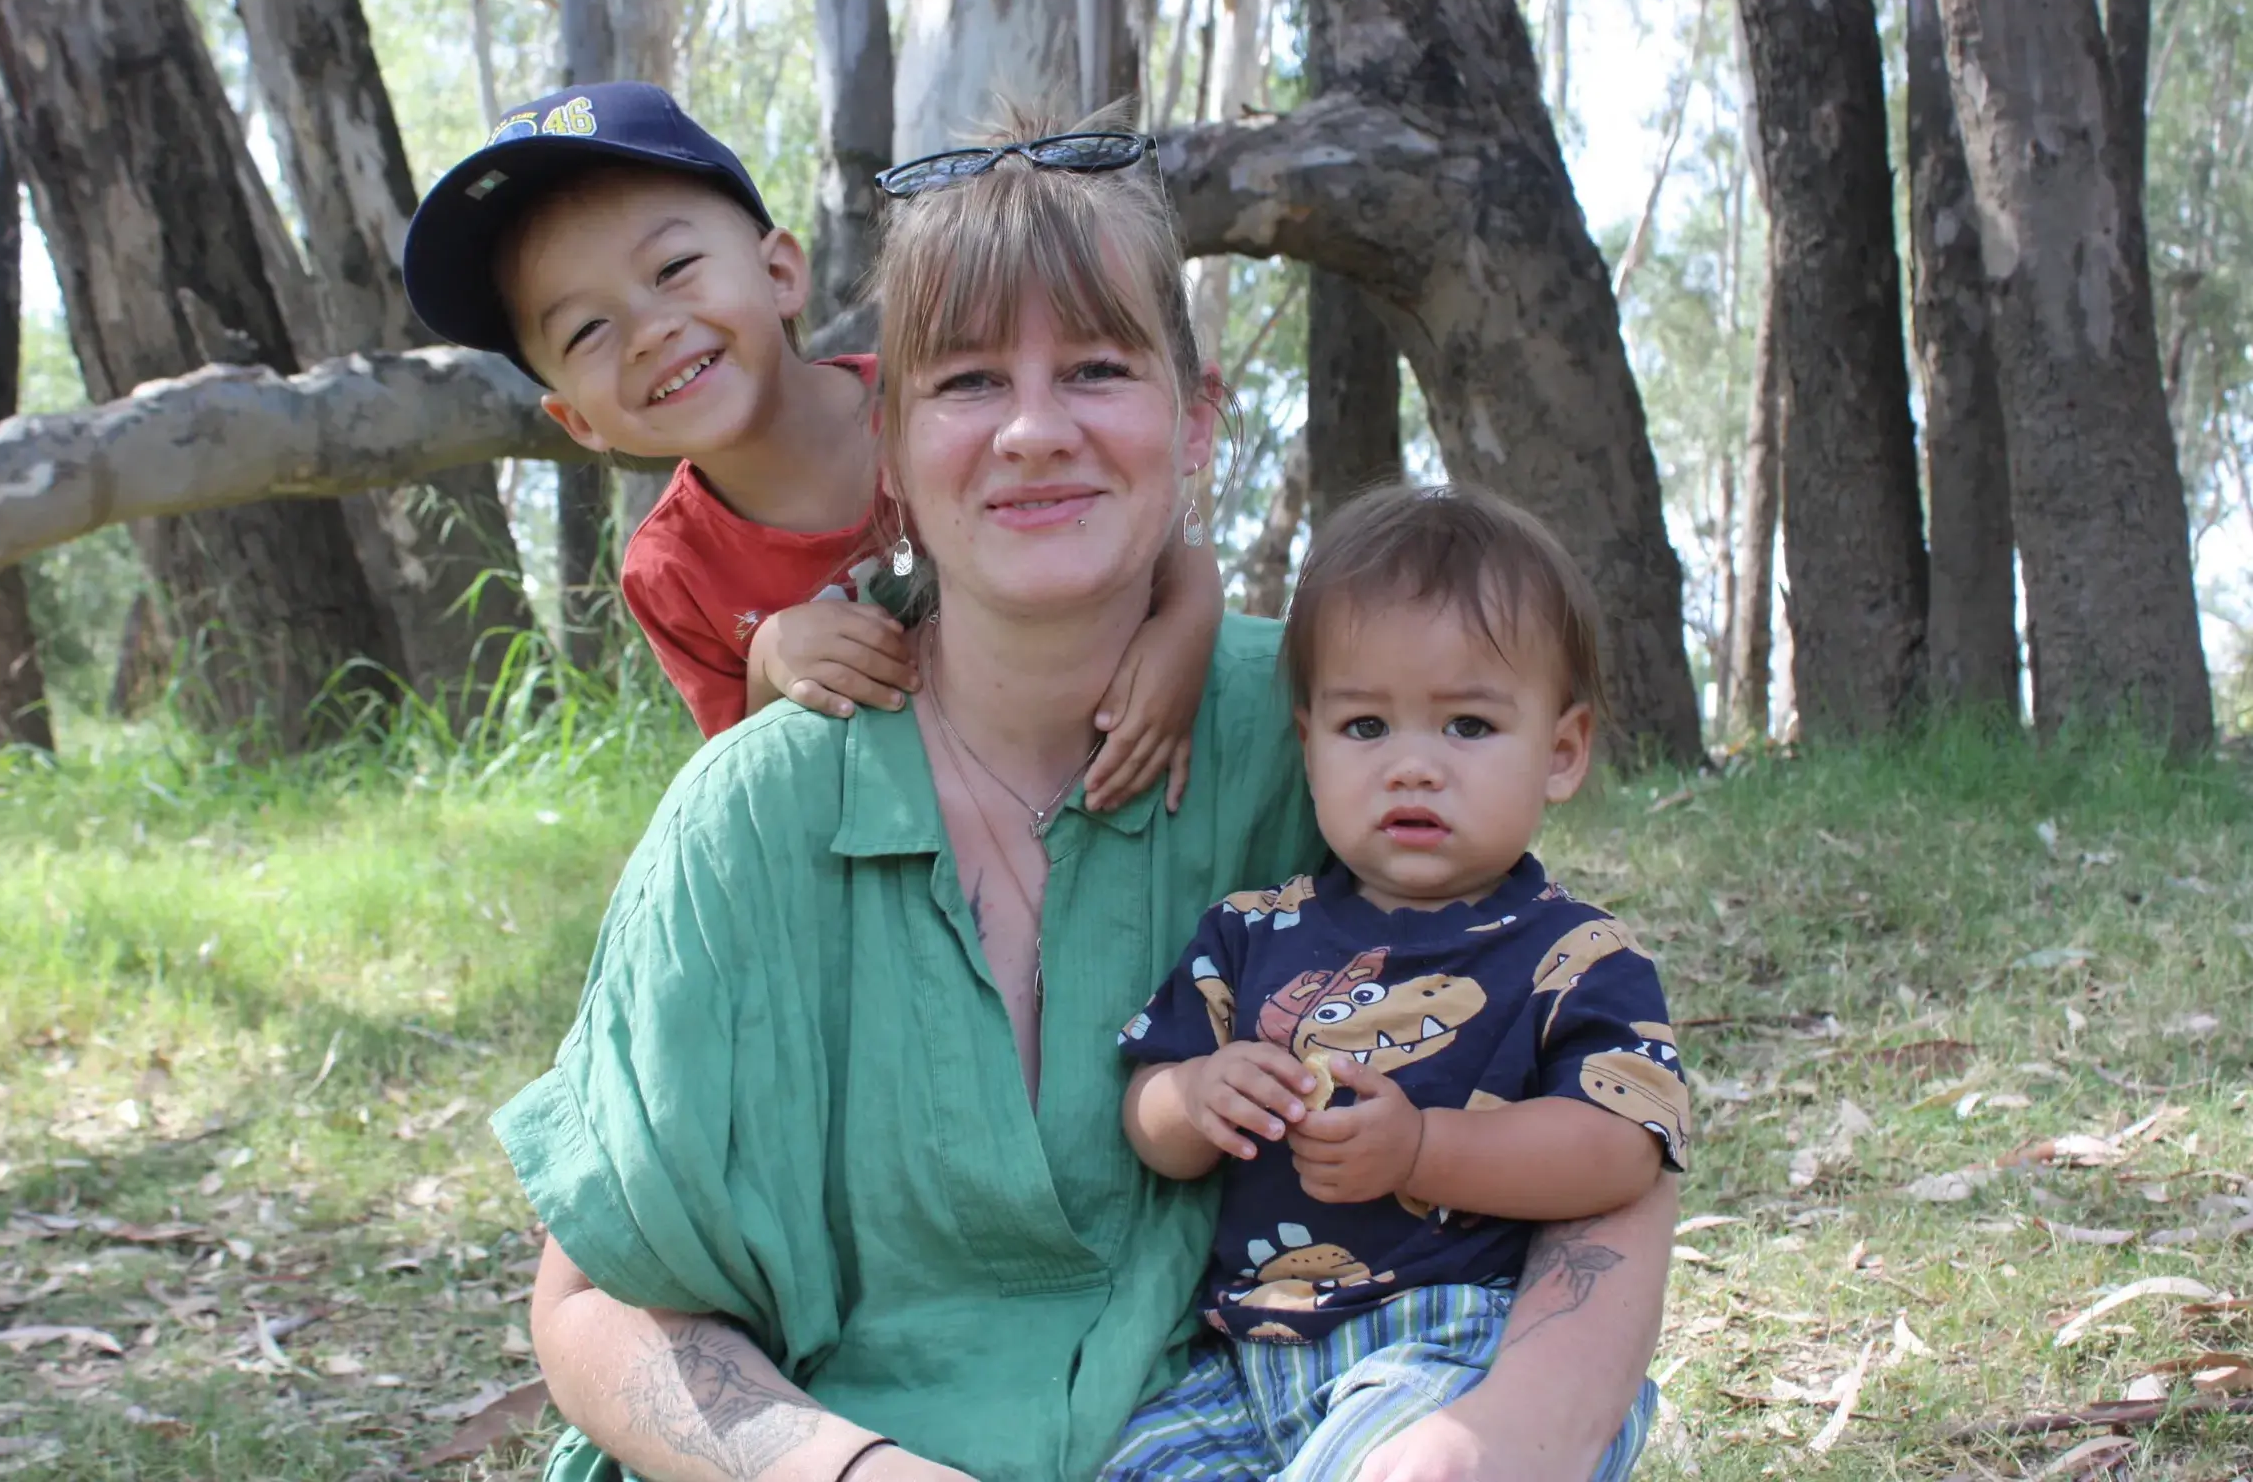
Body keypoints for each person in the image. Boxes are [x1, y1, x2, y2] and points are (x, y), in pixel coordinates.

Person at [490, 108, 1678, 1482]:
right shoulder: (746, 817)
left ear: (1198, 422)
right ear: (893, 443)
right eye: (971, 382)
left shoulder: (1339, 748)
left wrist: (1497, 1443)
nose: (1035, 432)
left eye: (1100, 368)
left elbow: (1605, 1139)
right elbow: (596, 1301)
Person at [400, 82, 1219, 811]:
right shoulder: (671, 569)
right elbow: (745, 780)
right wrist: (769, 661)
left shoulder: (945, 412)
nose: (649, 332)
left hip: (1095, 770)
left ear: (781, 272)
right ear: (580, 422)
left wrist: (1187, 633)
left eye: (674, 267)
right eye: (586, 329)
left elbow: (1156, 525)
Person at [1103, 484, 1688, 1480]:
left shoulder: (1574, 956)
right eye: (1366, 727)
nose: (1412, 767)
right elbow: (1148, 1117)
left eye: (1466, 726)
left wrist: (1423, 1148)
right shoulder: (1253, 929)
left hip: (1452, 1343)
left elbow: (1618, 1149)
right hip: (1245, 1360)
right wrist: (1196, 1098)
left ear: (1561, 752)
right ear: (1309, 746)